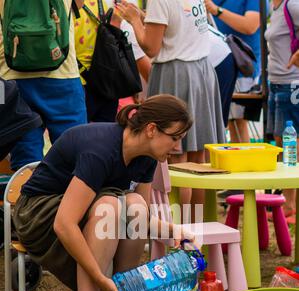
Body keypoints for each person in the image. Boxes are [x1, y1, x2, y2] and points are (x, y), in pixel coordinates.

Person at [13, 94, 195, 291]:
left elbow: (142, 217)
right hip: (38, 213)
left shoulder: (148, 156)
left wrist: (173, 229)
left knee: (136, 206)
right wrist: (99, 277)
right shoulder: (100, 149)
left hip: (77, 210)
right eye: (174, 137)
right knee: (109, 207)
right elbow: (64, 224)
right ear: (152, 129)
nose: (177, 146)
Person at [116, 0, 225, 222]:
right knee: (197, 163)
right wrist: (145, 16)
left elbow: (151, 47)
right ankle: (197, 232)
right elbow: (177, 24)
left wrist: (135, 20)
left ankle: (179, 232)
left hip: (175, 74)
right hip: (201, 70)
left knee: (177, 163)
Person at [0, 0, 87, 171]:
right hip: (64, 73)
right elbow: (80, 4)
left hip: (8, 76)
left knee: (24, 163)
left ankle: (26, 196)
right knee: (74, 155)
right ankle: (66, 197)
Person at [74, 0, 151, 122]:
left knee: (80, 131)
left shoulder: (65, 4)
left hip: (81, 79)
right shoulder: (108, 4)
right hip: (106, 78)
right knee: (103, 131)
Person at [205, 0, 262, 142]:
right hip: (216, 66)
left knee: (238, 122)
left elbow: (250, 26)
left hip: (243, 68)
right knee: (227, 122)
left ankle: (241, 162)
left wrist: (217, 10)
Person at [265, 0, 299, 221]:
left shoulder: (293, 4)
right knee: (281, 142)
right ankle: (287, 200)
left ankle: (290, 203)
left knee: (291, 144)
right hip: (276, 82)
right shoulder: (273, 5)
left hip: (292, 83)